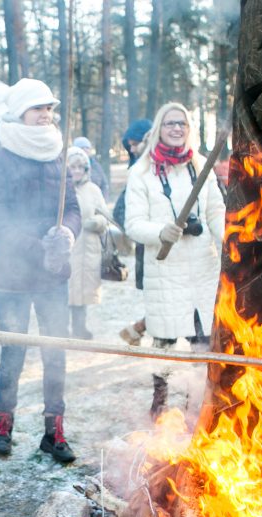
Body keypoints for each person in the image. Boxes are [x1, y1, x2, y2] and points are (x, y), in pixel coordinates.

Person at [0, 78, 82, 463]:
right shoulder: (0, 161)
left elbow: (72, 206)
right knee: (13, 352)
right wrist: (37, 247)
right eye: (38, 107)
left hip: (53, 275)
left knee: (55, 352)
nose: (46, 115)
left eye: (50, 109)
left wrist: (67, 234)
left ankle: (53, 431)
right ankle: (3, 425)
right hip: (11, 277)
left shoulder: (58, 155)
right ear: (20, 111)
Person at [124, 102, 225, 419]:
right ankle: (161, 404)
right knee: (165, 343)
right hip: (165, 271)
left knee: (203, 342)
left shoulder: (201, 166)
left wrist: (229, 242)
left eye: (182, 123)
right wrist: (161, 232)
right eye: (170, 123)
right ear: (159, 129)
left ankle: (198, 404)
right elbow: (133, 224)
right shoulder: (141, 173)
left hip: (202, 270)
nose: (177, 128)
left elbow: (216, 212)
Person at [112, 118, 152, 346]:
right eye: (130, 146)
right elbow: (121, 211)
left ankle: (137, 329)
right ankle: (139, 330)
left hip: (171, 245)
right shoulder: (137, 171)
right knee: (159, 299)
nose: (134, 149)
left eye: (137, 143)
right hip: (147, 245)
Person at [65, 147, 109, 339]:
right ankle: (59, 327)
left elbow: (105, 217)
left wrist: (97, 223)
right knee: (66, 288)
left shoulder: (93, 190)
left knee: (82, 291)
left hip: (88, 247)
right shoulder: (61, 189)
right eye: (72, 166)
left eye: (80, 167)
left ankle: (79, 327)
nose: (76, 171)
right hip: (69, 248)